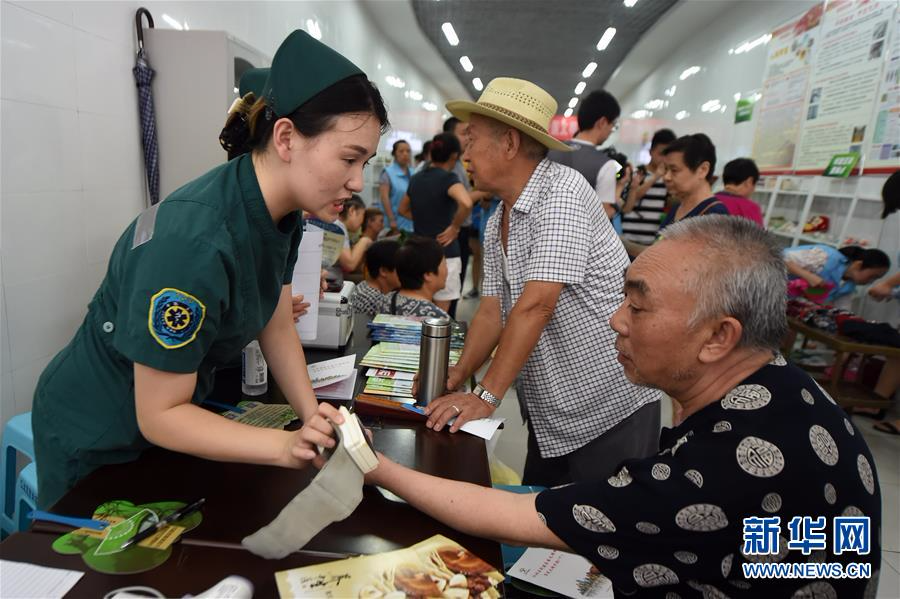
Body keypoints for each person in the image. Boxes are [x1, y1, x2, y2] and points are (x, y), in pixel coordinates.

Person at [363, 216, 882, 598]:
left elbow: (525, 517)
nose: (616, 320)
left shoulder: (719, 469)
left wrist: (376, 465)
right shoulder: (791, 387)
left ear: (719, 337)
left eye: (637, 304)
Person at [30, 30, 389, 508]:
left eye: (364, 162)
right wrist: (288, 447)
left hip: (169, 422)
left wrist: (312, 416)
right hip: (100, 430)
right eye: (349, 158)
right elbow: (159, 414)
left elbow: (275, 320)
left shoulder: (280, 216)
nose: (357, 182)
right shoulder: (194, 240)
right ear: (286, 137)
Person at [424, 77, 660, 487]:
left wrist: (485, 398)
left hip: (608, 408)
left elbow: (536, 306)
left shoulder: (561, 193)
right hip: (555, 409)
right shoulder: (501, 215)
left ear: (510, 144)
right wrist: (453, 376)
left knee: (598, 539)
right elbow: (493, 310)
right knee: (543, 528)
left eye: (472, 141)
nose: (466, 155)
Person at [398, 133, 473, 312]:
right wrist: (455, 226)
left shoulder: (416, 179)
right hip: (444, 252)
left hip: (419, 252)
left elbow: (402, 210)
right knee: (440, 314)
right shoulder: (448, 179)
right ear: (455, 156)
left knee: (417, 311)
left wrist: (425, 217)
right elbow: (467, 202)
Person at [547, 90, 622, 224]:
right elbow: (602, 217)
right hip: (579, 240)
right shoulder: (606, 165)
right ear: (603, 122)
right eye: (613, 125)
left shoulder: (549, 151)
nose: (611, 131)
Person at [657, 133, 729, 234]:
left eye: (674, 170)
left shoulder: (715, 215)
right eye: (666, 169)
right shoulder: (677, 208)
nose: (666, 177)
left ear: (703, 170)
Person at [621, 128, 676, 247]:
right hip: (628, 238)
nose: (664, 159)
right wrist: (655, 177)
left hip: (652, 241)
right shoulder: (638, 173)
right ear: (651, 151)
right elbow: (631, 200)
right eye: (661, 154)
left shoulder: (668, 178)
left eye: (668, 155)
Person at [784, 245, 890, 304]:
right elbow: (777, 259)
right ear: (858, 265)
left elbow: (841, 308)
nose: (871, 281)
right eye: (872, 276)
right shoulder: (825, 257)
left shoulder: (848, 287)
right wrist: (808, 276)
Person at [376, 237, 451, 319]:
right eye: (445, 265)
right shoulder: (436, 316)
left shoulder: (386, 300)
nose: (447, 270)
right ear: (428, 274)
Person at [349, 240, 401, 316]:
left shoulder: (363, 286)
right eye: (401, 268)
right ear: (383, 271)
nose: (406, 272)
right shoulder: (377, 303)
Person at [715, 157, 764, 226]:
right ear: (749, 182)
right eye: (755, 185)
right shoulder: (749, 208)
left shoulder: (708, 199)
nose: (753, 190)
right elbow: (758, 236)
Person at [378, 140, 413, 234]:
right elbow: (384, 198)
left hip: (410, 222)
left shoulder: (414, 173)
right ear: (394, 154)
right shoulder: (387, 173)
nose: (405, 154)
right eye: (401, 151)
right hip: (393, 223)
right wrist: (391, 220)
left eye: (408, 151)